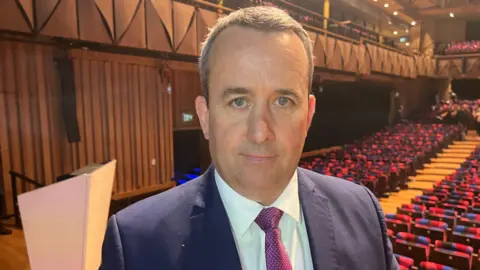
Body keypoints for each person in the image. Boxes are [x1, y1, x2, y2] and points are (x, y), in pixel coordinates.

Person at [99, 6, 398, 270]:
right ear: (205, 118)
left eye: (283, 102)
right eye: (238, 102)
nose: (260, 133)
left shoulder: (363, 213)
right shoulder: (136, 244)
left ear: (308, 116)